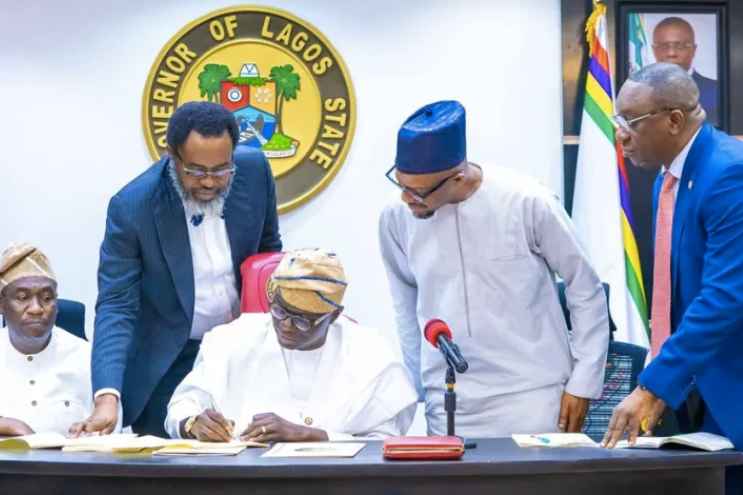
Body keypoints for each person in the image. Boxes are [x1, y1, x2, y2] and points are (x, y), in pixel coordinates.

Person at [378, 100, 609, 437]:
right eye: (401, 185)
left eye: (417, 191)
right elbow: (406, 306)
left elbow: (585, 288)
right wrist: (418, 390)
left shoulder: (527, 201)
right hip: (449, 400)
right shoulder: (395, 218)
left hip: (533, 396)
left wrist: (583, 381)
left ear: (457, 178)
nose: (406, 199)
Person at [78, 101, 282, 437]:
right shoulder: (133, 207)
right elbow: (117, 304)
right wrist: (107, 396)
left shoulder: (255, 171)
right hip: (169, 362)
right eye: (197, 171)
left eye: (221, 170)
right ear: (171, 155)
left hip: (242, 355)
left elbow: (268, 252)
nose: (210, 182)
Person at [602, 62, 743, 493]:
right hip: (694, 387)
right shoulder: (673, 176)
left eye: (630, 123)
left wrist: (652, 385)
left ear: (675, 120)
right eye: (616, 121)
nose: (620, 135)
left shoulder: (728, 174)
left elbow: (724, 297)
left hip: (730, 387)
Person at [165, 248, 417, 442]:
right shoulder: (230, 340)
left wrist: (312, 436)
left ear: (334, 316)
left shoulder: (371, 355)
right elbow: (182, 406)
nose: (286, 325)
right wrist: (192, 424)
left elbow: (385, 442)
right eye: (280, 312)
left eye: (302, 320)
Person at [0, 244, 94, 436]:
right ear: (2, 305)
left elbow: (110, 436)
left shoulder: (90, 359)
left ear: (57, 304)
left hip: (71, 465)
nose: (36, 308)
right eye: (22, 297)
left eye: (47, 297)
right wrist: (7, 425)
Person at [652, 16, 718, 126]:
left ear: (693, 49)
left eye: (680, 46)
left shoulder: (716, 91)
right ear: (654, 50)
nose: (671, 53)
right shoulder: (639, 92)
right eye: (664, 46)